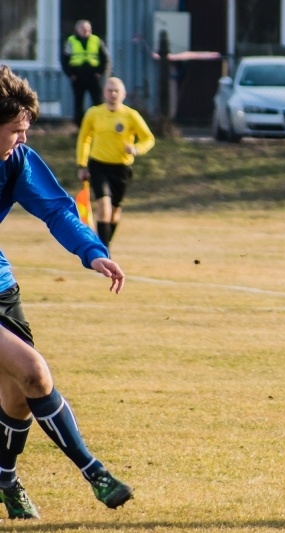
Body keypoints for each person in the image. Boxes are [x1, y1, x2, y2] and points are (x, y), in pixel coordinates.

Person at [0, 65, 133, 519]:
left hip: (1, 286)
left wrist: (92, 251)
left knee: (19, 392)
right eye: (16, 131)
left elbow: (58, 210)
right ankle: (94, 471)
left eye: (26, 130)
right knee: (34, 371)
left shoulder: (16, 159)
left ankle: (5, 481)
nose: (22, 139)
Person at [77, 77, 155, 248]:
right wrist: (82, 164)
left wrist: (136, 149)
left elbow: (148, 138)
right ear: (104, 93)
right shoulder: (94, 113)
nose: (113, 94)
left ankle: (104, 244)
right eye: (109, 90)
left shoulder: (131, 115)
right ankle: (103, 252)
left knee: (114, 212)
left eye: (116, 91)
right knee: (103, 207)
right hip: (98, 166)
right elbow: (84, 139)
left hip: (121, 168)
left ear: (123, 94)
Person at [62, 20, 110, 127]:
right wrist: (70, 75)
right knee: (78, 102)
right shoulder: (71, 41)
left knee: (98, 100)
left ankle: (100, 122)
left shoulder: (96, 40)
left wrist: (100, 72)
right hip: (77, 76)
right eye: (83, 29)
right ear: (77, 30)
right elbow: (64, 60)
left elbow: (105, 58)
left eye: (88, 29)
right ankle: (80, 125)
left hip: (93, 76)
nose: (86, 31)